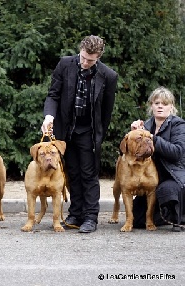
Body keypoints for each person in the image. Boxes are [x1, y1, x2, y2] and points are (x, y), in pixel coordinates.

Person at [41, 35, 118, 233]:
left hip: (89, 131)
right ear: (80, 50)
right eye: (83, 57)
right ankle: (75, 213)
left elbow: (106, 112)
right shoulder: (65, 64)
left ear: (98, 57)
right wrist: (49, 117)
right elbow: (53, 95)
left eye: (90, 60)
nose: (85, 63)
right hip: (66, 129)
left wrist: (99, 135)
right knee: (72, 172)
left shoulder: (108, 76)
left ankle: (91, 217)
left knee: (88, 173)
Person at [131, 87, 185, 232]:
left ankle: (177, 218)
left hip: (173, 175)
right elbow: (133, 153)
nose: (160, 106)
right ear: (151, 106)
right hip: (151, 176)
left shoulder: (178, 125)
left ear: (171, 107)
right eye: (157, 103)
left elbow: (177, 152)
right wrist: (134, 134)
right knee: (137, 220)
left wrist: (152, 139)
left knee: (166, 189)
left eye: (165, 103)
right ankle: (163, 214)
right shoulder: (146, 125)